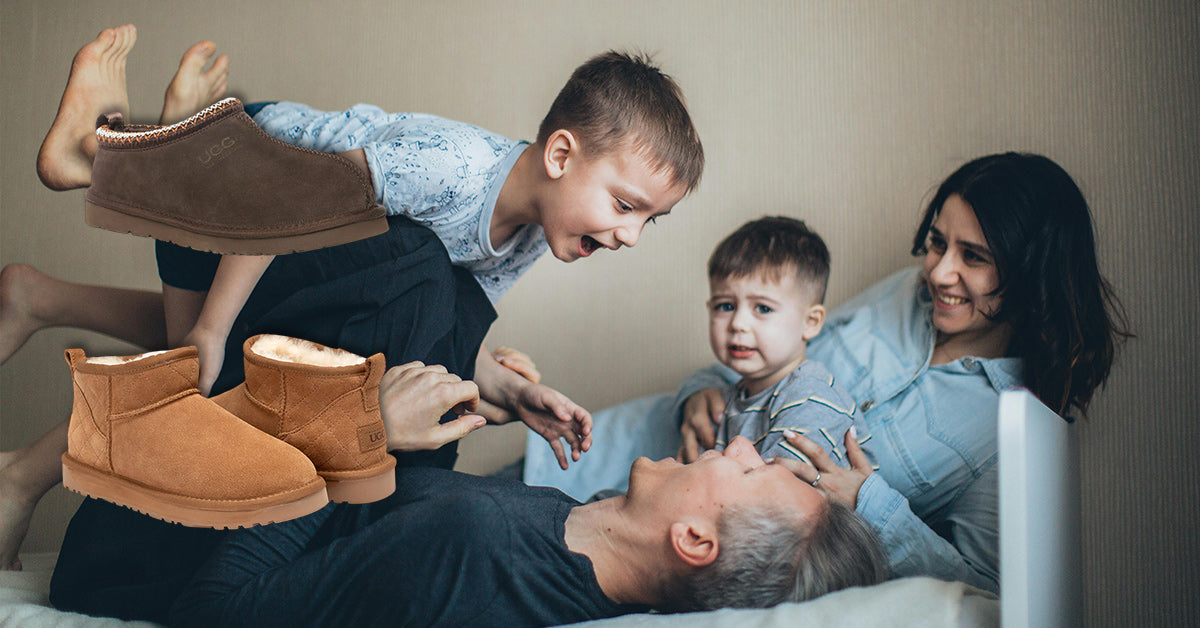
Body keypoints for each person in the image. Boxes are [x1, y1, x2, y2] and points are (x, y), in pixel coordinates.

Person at [0, 26, 703, 568]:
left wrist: (510, 393)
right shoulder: (453, 168)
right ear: (559, 156)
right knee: (197, 371)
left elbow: (449, 332)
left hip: (271, 226)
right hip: (250, 191)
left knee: (217, 357)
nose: (631, 236)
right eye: (624, 205)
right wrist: (212, 327)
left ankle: (41, 296)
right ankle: (118, 148)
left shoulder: (524, 236)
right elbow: (288, 203)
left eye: (649, 220)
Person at [532, 152, 1130, 595]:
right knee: (491, 508)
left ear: (1032, 273)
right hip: (623, 447)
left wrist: (874, 504)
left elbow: (985, 589)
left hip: (688, 537)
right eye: (936, 243)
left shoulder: (1015, 423)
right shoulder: (903, 293)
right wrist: (700, 391)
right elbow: (773, 343)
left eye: (973, 257)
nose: (940, 272)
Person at [700, 216, 869, 464]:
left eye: (763, 309)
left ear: (810, 322)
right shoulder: (736, 396)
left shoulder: (810, 398)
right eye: (725, 306)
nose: (738, 323)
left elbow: (777, 495)